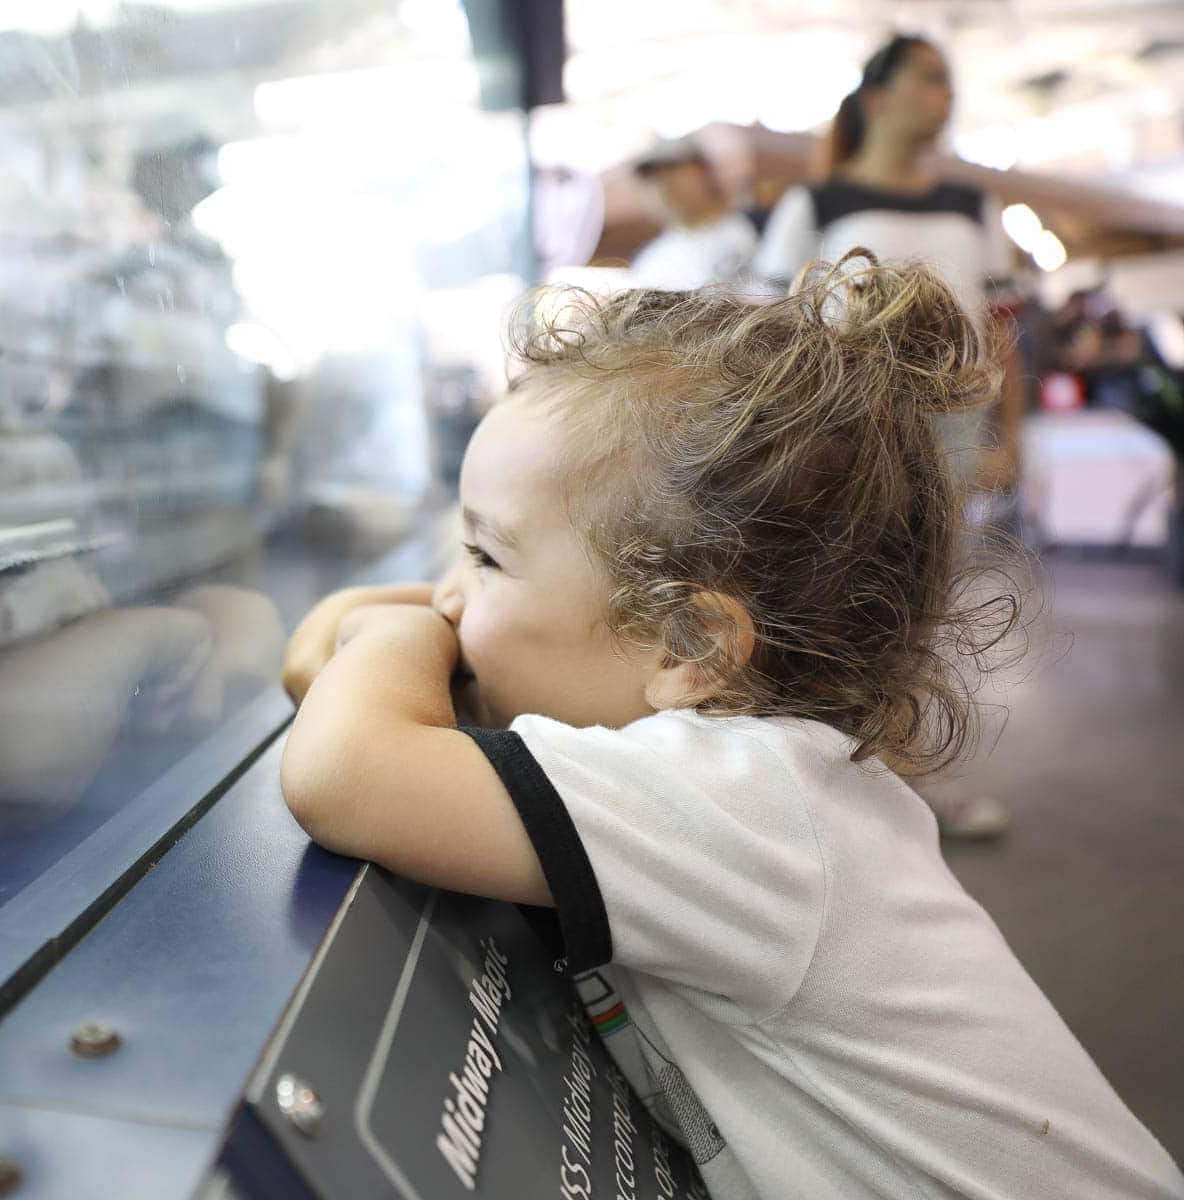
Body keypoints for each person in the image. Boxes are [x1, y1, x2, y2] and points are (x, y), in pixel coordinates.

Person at [277, 256, 1184, 1200]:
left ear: (690, 642)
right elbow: (323, 656)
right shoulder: (753, 761)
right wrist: (429, 618)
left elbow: (344, 768)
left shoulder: (733, 800)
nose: (450, 597)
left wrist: (399, 633)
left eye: (484, 554)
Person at [752, 33, 1018, 838]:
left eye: (949, 82)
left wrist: (1012, 437)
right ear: (879, 96)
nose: (945, 96)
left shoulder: (974, 208)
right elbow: (769, 328)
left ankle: (909, 780)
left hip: (953, 428)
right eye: (929, 79)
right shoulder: (816, 206)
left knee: (927, 607)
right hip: (841, 428)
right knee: (832, 602)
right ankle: (837, 781)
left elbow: (1003, 333)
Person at [628, 138, 760, 291]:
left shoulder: (761, 226)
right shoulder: (649, 261)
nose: (663, 186)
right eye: (650, 179)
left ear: (704, 172)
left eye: (671, 171)